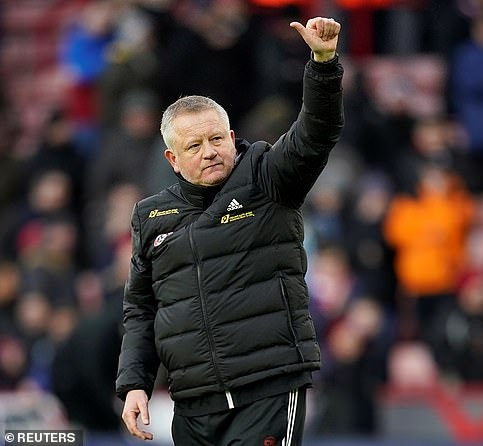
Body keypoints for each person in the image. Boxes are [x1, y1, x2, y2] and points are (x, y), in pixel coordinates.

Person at [115, 17, 344, 445]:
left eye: (217, 139)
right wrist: (134, 383)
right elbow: (141, 310)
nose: (210, 152)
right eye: (194, 145)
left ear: (232, 136)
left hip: (268, 390)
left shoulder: (266, 178)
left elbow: (316, 133)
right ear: (172, 159)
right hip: (192, 403)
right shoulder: (151, 216)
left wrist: (323, 64)